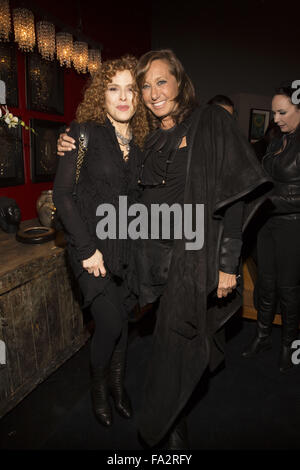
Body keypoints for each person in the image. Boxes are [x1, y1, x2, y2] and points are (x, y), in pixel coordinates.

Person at [57, 49, 272, 449]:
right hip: (146, 261)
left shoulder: (209, 121)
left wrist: (228, 263)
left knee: (177, 344)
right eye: (145, 85)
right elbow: (93, 183)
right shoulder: (146, 139)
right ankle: (124, 397)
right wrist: (68, 140)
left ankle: (170, 427)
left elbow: (237, 194)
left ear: (179, 82)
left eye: (161, 81)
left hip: (191, 258)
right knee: (151, 337)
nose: (153, 92)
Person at [53, 55, 149, 428]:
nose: (123, 97)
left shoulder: (143, 143)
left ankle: (118, 385)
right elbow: (62, 195)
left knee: (123, 321)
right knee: (108, 324)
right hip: (88, 248)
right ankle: (97, 388)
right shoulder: (81, 132)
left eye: (129, 89)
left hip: (125, 250)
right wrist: (87, 249)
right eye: (113, 89)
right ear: (101, 95)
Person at [242, 83, 300, 373]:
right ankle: (262, 337)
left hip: (292, 226)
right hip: (266, 224)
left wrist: (268, 201)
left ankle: (289, 345)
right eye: (274, 111)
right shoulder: (278, 140)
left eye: (282, 111)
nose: (275, 118)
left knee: (288, 291)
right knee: (265, 284)